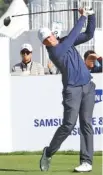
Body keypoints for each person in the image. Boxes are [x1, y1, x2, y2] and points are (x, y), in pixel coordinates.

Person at [38, 7, 96, 172]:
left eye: (49, 36)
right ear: (44, 43)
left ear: (52, 34)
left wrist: (91, 15)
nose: (49, 39)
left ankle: (87, 162)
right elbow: (71, 37)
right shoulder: (55, 52)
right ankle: (48, 152)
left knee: (86, 124)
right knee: (68, 125)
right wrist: (82, 17)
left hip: (88, 87)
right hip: (72, 90)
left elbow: (89, 34)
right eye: (46, 40)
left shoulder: (64, 41)